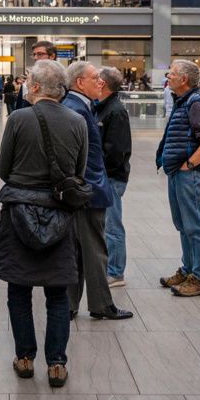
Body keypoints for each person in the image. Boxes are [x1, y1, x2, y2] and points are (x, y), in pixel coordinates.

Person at [0, 60, 87, 387]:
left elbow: (4, 170)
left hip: (20, 213)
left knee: (18, 290)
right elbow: (79, 172)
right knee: (58, 293)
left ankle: (25, 357)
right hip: (60, 214)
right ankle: (57, 364)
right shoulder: (77, 121)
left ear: (33, 86)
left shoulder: (18, 119)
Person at [64, 61, 132, 322]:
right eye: (95, 78)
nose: (100, 82)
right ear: (81, 82)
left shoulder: (83, 106)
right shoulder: (77, 109)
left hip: (85, 189)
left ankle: (72, 304)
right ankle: (101, 304)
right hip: (89, 191)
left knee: (80, 249)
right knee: (94, 249)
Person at [156, 59, 200, 298]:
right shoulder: (183, 100)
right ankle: (189, 269)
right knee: (184, 225)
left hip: (191, 174)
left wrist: (190, 164)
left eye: (171, 74)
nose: (168, 77)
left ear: (184, 80)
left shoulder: (196, 103)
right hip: (178, 171)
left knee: (197, 225)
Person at [95, 66, 132, 287]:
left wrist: (100, 171)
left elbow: (116, 151)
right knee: (106, 224)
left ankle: (116, 271)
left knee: (112, 225)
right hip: (105, 176)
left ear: (103, 84)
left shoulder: (115, 111)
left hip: (111, 178)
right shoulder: (101, 107)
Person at [15, 41, 57, 109]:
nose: (35, 58)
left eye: (40, 54)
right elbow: (20, 107)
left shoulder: (61, 79)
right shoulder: (28, 81)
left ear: (52, 56)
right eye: (34, 54)